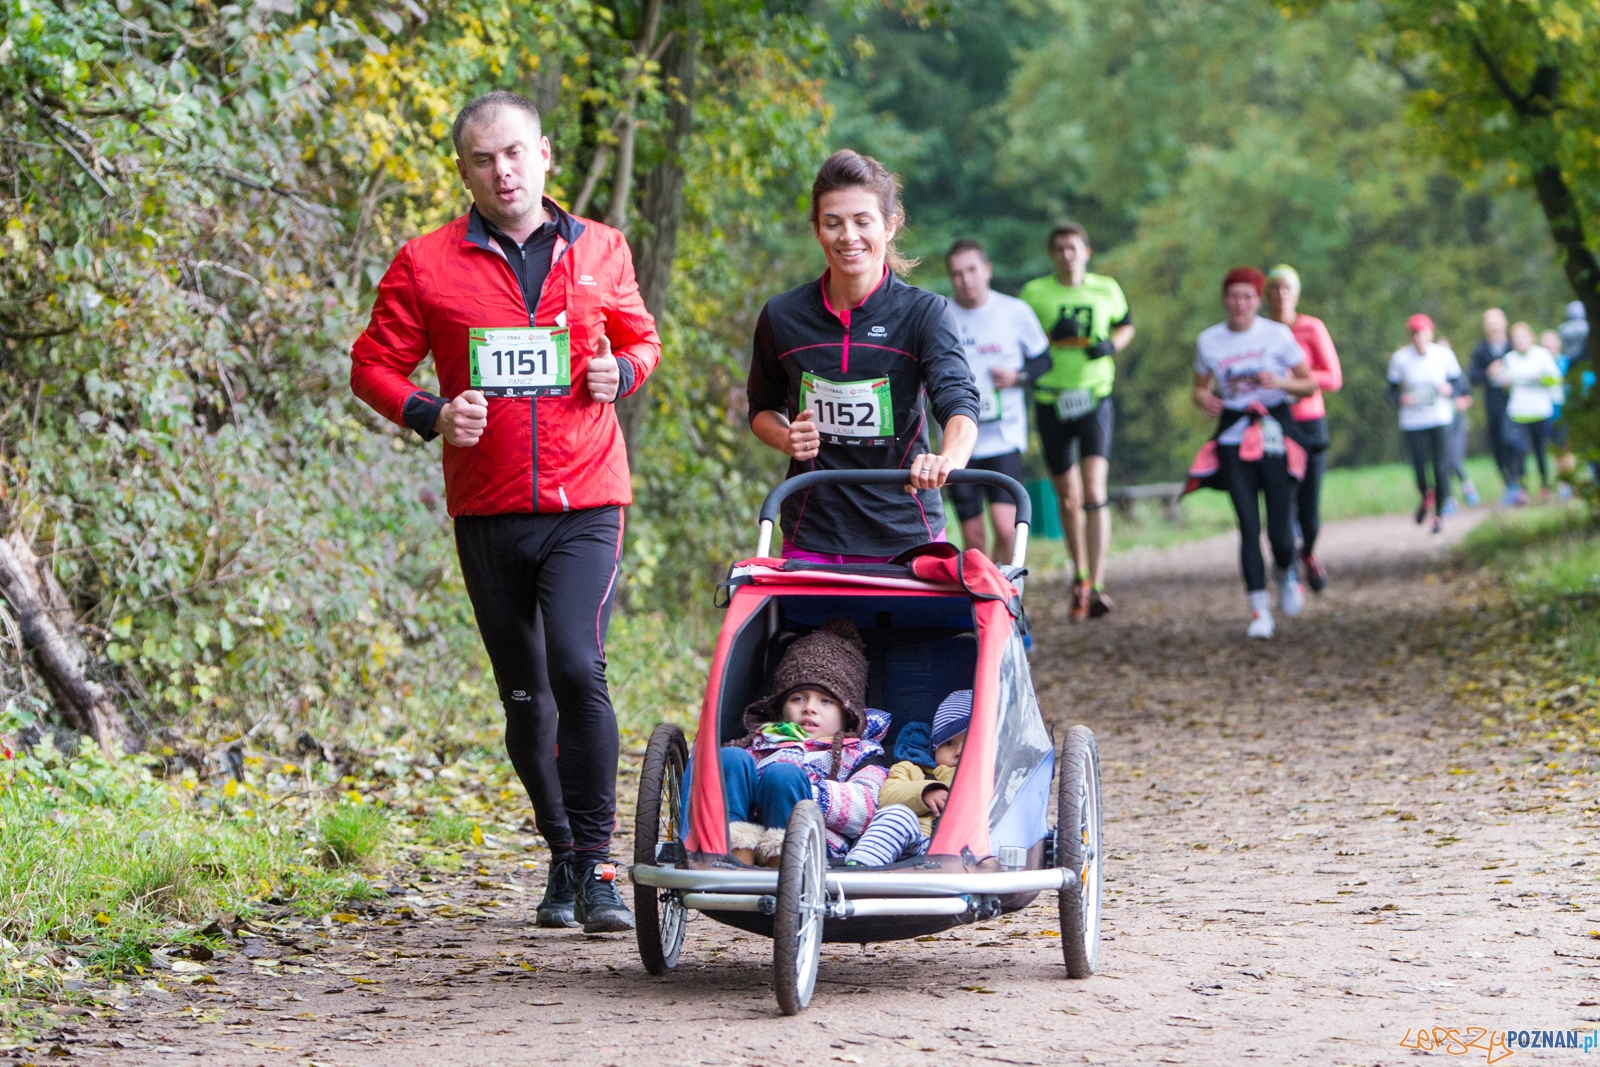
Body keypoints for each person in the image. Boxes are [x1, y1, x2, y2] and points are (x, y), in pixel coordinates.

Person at [350, 91, 660, 934]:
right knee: (526, 697)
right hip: (487, 507)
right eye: (484, 160)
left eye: (516, 153)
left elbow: (642, 340)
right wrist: (432, 413)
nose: (504, 172)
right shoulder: (426, 262)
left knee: (578, 666)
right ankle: (562, 852)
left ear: (544, 154)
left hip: (585, 496)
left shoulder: (601, 248)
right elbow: (372, 365)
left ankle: (599, 867)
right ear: (463, 171)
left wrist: (622, 373)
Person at [746, 151, 980, 564]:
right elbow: (762, 410)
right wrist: (785, 438)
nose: (848, 236)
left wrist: (947, 461)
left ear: (890, 225)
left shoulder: (925, 314)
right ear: (817, 231)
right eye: (833, 223)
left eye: (862, 221)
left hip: (906, 533)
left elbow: (959, 402)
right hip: (812, 532)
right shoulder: (782, 315)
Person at [686, 620, 891, 864]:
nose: (809, 708)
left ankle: (779, 860)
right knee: (731, 758)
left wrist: (803, 791)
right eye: (798, 698)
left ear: (847, 713)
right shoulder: (759, 743)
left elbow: (866, 809)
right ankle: (733, 853)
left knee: (783, 776)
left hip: (813, 847)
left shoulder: (861, 751)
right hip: (748, 840)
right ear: (780, 708)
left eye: (826, 701)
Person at [1190, 267, 1317, 640]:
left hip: (1274, 433)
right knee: (1248, 525)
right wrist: (1204, 399)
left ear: (1258, 301)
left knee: (1280, 532)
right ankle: (1259, 609)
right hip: (1233, 436)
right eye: (1233, 296)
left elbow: (1309, 384)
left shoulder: (1277, 335)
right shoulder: (1208, 340)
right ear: (1224, 300)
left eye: (1247, 297)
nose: (1240, 304)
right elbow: (1199, 387)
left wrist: (1280, 381)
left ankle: (1286, 572)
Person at [1018, 223, 1134, 620]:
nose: (1067, 255)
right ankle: (1080, 576)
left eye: (1073, 248)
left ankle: (1098, 583)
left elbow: (1126, 323)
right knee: (1067, 497)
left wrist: (1111, 345)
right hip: (1051, 399)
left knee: (1094, 489)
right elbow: (1023, 340)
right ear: (1052, 255)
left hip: (1094, 397)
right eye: (1059, 249)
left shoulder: (1106, 289)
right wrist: (1050, 337)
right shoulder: (1035, 293)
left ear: (1086, 252)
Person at [943, 240, 1051, 563]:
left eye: (972, 270)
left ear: (987, 270)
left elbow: (1044, 360)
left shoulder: (1015, 312)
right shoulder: (941, 315)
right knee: (974, 538)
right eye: (957, 273)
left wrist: (1018, 376)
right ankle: (982, 590)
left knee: (1006, 529)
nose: (966, 280)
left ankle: (998, 585)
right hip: (959, 441)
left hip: (1004, 437)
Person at [1263, 264, 1341, 592]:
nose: (1281, 294)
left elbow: (1333, 378)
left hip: (1309, 422)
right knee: (1282, 500)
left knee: (1309, 508)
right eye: (1275, 288)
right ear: (1266, 295)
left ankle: (1308, 551)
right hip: (1272, 423)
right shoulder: (1259, 332)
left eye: (1287, 288)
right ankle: (1287, 566)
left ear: (1296, 294)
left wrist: (1293, 381)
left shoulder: (1311, 327)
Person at [845, 689, 969, 868]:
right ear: (934, 748)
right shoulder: (910, 768)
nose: (959, 752)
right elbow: (886, 797)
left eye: (970, 741)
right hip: (917, 846)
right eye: (949, 743)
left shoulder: (991, 779)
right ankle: (862, 868)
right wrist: (925, 792)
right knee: (897, 815)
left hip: (967, 853)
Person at [1387, 314, 1464, 533]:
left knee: (1440, 466)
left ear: (1430, 333)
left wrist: (1450, 390)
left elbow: (1460, 384)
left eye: (1422, 333)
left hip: (1439, 417)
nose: (1419, 337)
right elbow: (1390, 392)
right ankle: (1425, 495)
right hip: (1413, 421)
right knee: (1419, 466)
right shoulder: (1400, 358)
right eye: (1414, 333)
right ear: (1409, 336)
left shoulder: (1443, 355)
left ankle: (1439, 514)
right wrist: (1401, 399)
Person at [1490, 322, 1564, 501]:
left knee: (1540, 451)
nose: (1520, 341)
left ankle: (1545, 486)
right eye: (1516, 338)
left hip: (1540, 411)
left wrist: (1542, 379)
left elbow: (1556, 379)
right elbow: (1503, 384)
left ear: (1531, 337)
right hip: (1518, 412)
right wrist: (1501, 380)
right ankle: (1522, 490)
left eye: (1523, 337)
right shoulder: (1509, 358)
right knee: (1518, 451)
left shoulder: (1542, 355)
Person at [1469, 308, 1523, 505]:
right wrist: (1488, 372)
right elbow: (1473, 377)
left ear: (1504, 323)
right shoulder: (1481, 350)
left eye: (1497, 321)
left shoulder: (1514, 345)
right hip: (1493, 404)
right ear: (1485, 327)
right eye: (1490, 322)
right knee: (1498, 443)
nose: (1494, 326)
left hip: (1518, 402)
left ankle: (1519, 482)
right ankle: (1509, 484)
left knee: (1513, 440)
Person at [1433, 335, 1479, 515]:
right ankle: (1449, 498)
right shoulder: (1431, 376)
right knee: (1443, 462)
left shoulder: (1458, 376)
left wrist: (1461, 402)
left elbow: (1469, 397)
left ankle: (1468, 487)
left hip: (1457, 423)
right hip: (1438, 425)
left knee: (1455, 460)